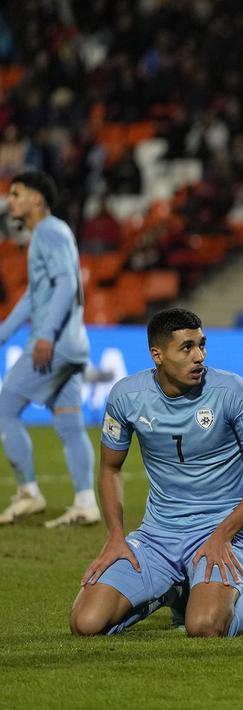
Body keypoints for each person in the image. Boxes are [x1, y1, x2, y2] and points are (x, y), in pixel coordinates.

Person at [68, 308, 243, 637]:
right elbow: (110, 467)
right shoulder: (126, 396)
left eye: (202, 345)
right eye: (187, 348)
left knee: (205, 627)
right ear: (157, 355)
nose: (199, 356)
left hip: (222, 530)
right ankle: (174, 589)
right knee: (86, 624)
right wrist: (115, 536)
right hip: (156, 537)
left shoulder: (233, 392)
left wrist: (223, 535)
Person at [0, 171, 98, 528]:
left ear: (36, 199)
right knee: (70, 424)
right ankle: (86, 502)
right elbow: (32, 297)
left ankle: (28, 493)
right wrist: (4, 333)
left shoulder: (48, 231)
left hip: (53, 343)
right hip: (73, 346)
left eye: (16, 193)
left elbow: (67, 283)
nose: (10, 200)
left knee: (4, 409)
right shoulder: (50, 234)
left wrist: (45, 335)